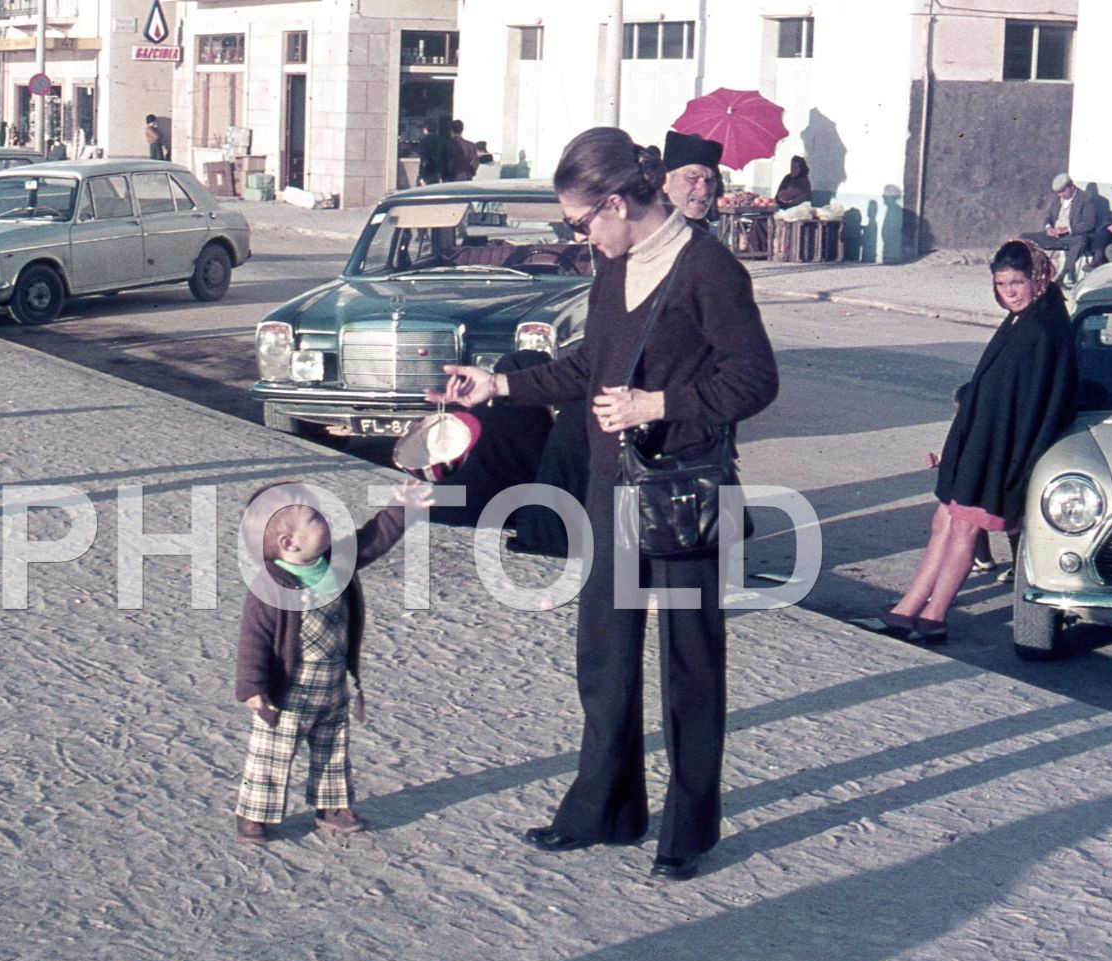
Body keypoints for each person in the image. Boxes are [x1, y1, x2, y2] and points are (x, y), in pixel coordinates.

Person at [430, 127, 779, 881]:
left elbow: (754, 381)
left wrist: (659, 403)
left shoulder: (708, 269)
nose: (579, 235)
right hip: (610, 485)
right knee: (605, 657)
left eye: (581, 221)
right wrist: (499, 387)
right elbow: (590, 365)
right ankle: (605, 809)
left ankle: (690, 828)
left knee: (689, 661)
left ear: (617, 202)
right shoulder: (611, 267)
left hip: (681, 488)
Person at [874, 240, 1077, 643]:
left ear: (1038, 277)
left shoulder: (1044, 328)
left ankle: (934, 617)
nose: (1009, 292)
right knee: (944, 523)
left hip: (1000, 454)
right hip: (978, 445)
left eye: (1017, 282)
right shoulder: (1025, 318)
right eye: (1001, 284)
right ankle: (906, 610)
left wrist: (1016, 469)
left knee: (963, 529)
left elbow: (1038, 407)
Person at [233, 480, 429, 844]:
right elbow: (253, 639)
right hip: (287, 691)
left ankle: (332, 805)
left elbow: (374, 538)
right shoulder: (270, 587)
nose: (326, 520)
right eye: (315, 518)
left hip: (333, 684)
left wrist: (402, 508)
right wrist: (252, 687)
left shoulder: (336, 562)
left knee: (333, 749)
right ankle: (255, 810)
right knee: (271, 754)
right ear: (288, 543)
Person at [1025, 173, 1094, 286]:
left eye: (1063, 192)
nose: (1061, 195)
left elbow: (1089, 223)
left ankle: (1062, 276)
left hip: (1071, 236)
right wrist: (1048, 228)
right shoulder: (1058, 198)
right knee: (1025, 237)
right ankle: (1031, 272)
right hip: (1054, 235)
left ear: (1071, 187)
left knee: (1081, 241)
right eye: (1059, 193)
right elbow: (1048, 216)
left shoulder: (1085, 199)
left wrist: (1066, 230)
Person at [661, 131, 723, 225]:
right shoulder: (643, 229)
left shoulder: (702, 232)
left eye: (710, 181)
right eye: (693, 178)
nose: (704, 191)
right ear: (665, 181)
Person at [417, 119, 448, 186]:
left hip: (428, 172)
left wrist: (422, 175)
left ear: (425, 129)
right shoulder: (441, 141)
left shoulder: (424, 141)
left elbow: (424, 159)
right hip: (439, 171)